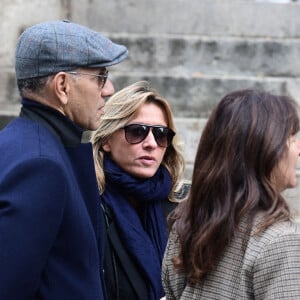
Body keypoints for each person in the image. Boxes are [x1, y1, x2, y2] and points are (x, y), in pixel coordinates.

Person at [0, 20, 128, 299]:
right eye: (100, 77)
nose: (109, 89)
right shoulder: (40, 165)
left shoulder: (26, 144)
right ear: (62, 85)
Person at [162, 89, 300, 299]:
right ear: (265, 149)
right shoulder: (280, 241)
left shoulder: (188, 224)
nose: (298, 148)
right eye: (291, 138)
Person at [91, 81, 186, 300]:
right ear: (106, 139)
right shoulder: (87, 204)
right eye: (137, 132)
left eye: (161, 134)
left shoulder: (183, 209)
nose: (151, 143)